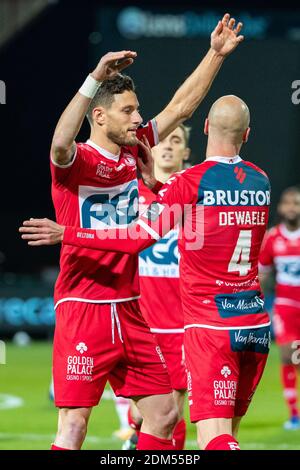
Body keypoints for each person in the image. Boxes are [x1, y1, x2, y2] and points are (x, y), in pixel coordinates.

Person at [20, 14, 244, 451]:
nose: (138, 117)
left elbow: (181, 108)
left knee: (163, 414)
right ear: (99, 116)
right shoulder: (77, 162)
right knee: (74, 426)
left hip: (130, 306)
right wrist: (92, 80)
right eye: (128, 110)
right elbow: (59, 144)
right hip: (84, 303)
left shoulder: (134, 147)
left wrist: (215, 55)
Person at [125, 125, 191, 450]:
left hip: (181, 322)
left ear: (186, 153)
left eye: (176, 141)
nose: (166, 147)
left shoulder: (195, 195)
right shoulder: (131, 194)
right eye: (162, 141)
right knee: (142, 412)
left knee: (173, 412)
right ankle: (137, 436)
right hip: (140, 319)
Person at [259, 187, 300, 430]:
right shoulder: (272, 238)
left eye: (296, 203)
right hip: (286, 305)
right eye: (288, 203)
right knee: (288, 355)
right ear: (281, 208)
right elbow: (263, 274)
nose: (292, 208)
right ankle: (294, 414)